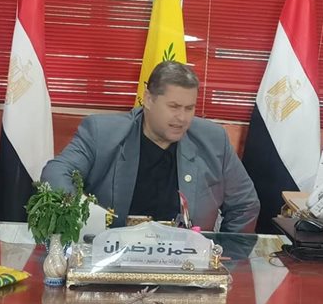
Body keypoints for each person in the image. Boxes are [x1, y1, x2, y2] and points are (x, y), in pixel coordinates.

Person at [41, 60, 259, 231]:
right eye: (174, 106)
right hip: (114, 257)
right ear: (148, 99)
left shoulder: (213, 140)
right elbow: (56, 172)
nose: (182, 118)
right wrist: (83, 221)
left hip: (185, 262)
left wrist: (225, 253)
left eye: (189, 108)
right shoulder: (102, 133)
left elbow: (245, 204)